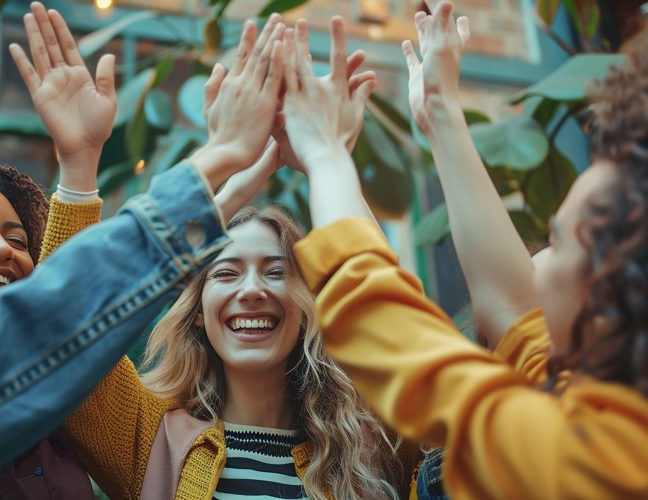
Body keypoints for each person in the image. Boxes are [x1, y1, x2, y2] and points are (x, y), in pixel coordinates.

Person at [0, 3, 286, 497]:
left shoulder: (53, 417)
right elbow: (57, 320)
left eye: (18, 240)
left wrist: (84, 165)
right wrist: (215, 159)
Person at [15, 11, 420, 499]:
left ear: (308, 305)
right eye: (225, 272)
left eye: (277, 271)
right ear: (199, 312)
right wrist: (79, 165)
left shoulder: (364, 442)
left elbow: (399, 332)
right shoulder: (153, 438)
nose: (251, 290)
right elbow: (63, 335)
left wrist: (325, 158)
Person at [277, 1, 648, 498]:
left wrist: (325, 153)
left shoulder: (589, 462)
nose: (535, 258)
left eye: (557, 242)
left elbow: (394, 338)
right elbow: (512, 311)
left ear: (611, 294)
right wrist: (440, 111)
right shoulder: (607, 413)